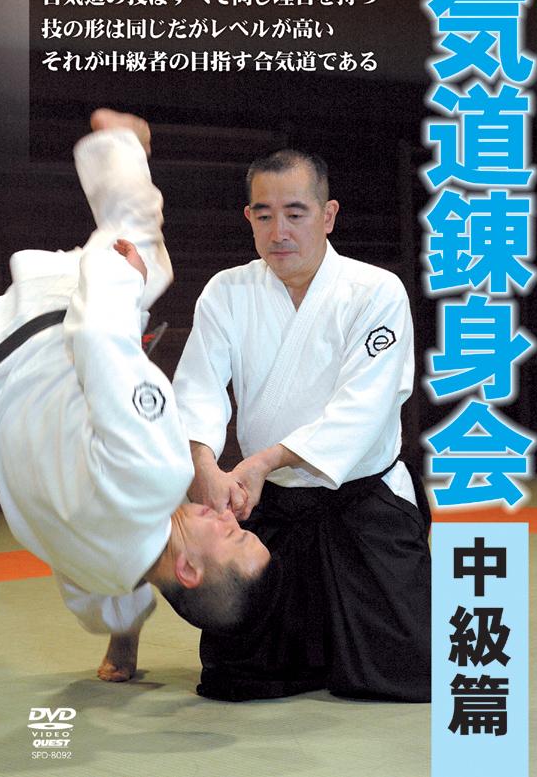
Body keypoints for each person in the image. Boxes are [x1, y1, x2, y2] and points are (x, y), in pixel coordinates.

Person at [0, 110, 270, 683]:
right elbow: (99, 599)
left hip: (42, 324)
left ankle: (123, 141)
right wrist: (122, 642)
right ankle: (123, 646)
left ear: (189, 570)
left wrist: (125, 280)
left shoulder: (158, 476)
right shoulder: (105, 569)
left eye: (234, 535)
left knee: (143, 256)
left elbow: (100, 339)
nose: (231, 518)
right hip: (8, 365)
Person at [173, 149, 431, 702]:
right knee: (235, 675)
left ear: (328, 215)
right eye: (264, 215)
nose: (279, 231)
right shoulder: (227, 291)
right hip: (271, 506)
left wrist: (265, 459)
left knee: (411, 669)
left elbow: (363, 409)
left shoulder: (375, 290)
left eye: (296, 213)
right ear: (248, 218)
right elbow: (197, 388)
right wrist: (203, 466)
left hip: (361, 500)